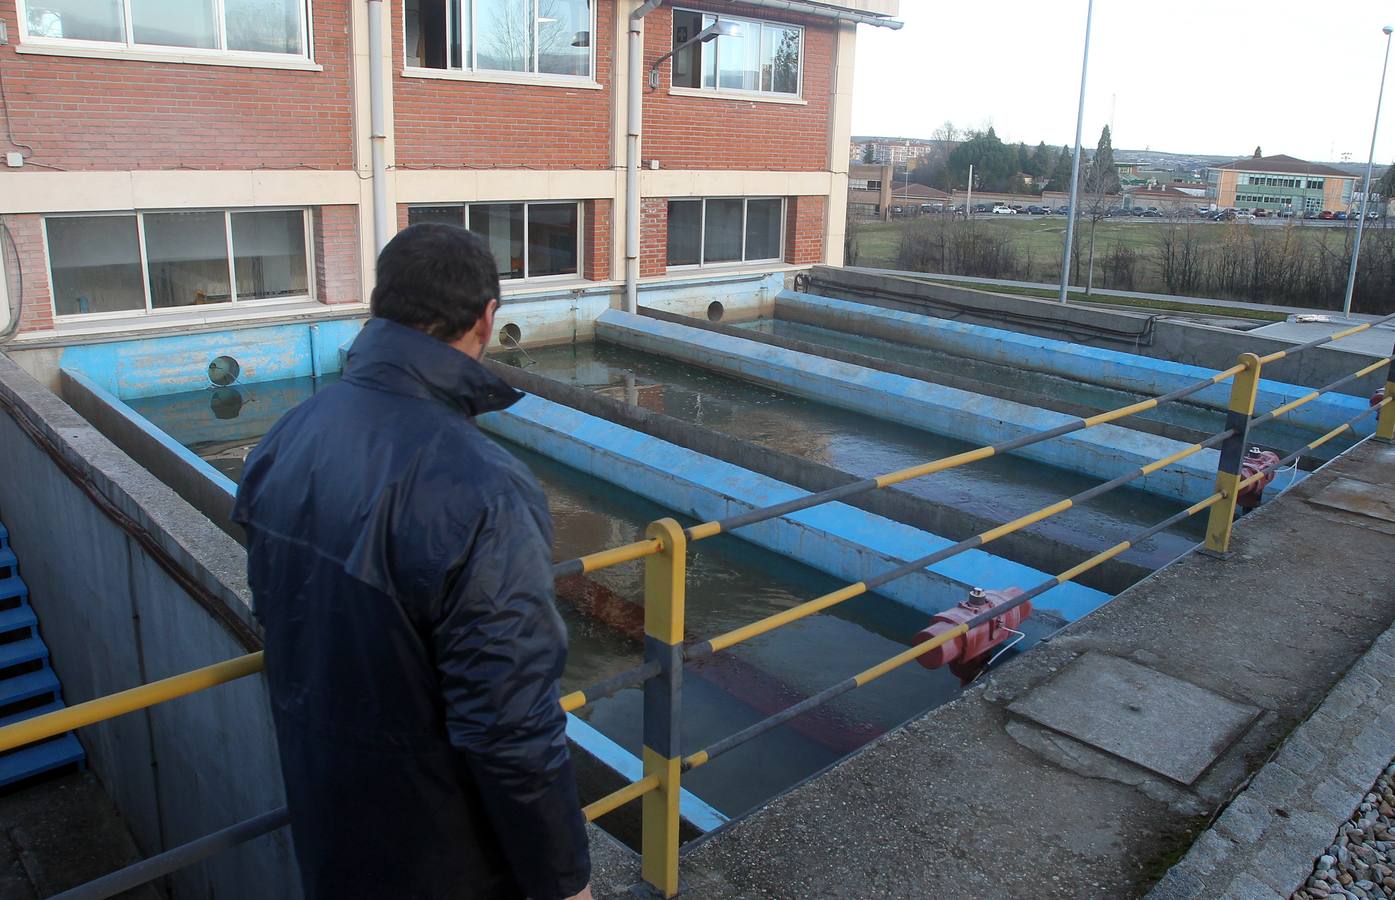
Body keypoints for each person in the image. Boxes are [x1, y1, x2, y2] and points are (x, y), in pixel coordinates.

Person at [232, 224, 592, 900]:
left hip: (328, 825)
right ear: (488, 319)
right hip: (446, 857)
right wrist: (566, 879)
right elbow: (507, 721)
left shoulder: (288, 433)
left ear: (380, 304)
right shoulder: (484, 485)